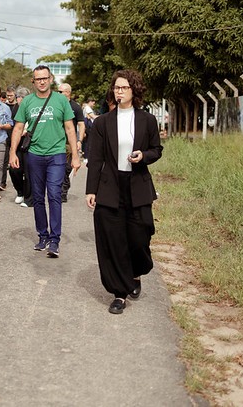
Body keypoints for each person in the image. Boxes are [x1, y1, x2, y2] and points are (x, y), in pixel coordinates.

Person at [85, 69, 163, 314]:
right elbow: (95, 158)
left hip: (138, 184)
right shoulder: (103, 122)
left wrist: (144, 156)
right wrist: (91, 189)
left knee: (140, 237)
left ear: (134, 90)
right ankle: (119, 292)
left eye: (124, 88)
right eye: (116, 88)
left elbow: (156, 149)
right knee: (113, 238)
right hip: (111, 185)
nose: (119, 91)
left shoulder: (147, 120)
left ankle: (136, 272)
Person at [9, 66, 81, 258]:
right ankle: (43, 236)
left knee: (55, 195)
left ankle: (55, 240)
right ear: (33, 82)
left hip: (56, 154)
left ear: (50, 79)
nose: (41, 81)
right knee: (38, 197)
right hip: (34, 155)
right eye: (37, 79)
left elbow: (70, 129)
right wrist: (12, 153)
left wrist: (75, 156)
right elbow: (17, 129)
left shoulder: (60, 101)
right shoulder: (27, 103)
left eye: (45, 78)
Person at [57, 83, 85, 202]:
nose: (58, 94)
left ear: (68, 93)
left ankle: (64, 190)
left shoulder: (76, 107)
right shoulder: (56, 105)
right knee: (58, 166)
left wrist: (79, 140)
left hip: (70, 142)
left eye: (60, 92)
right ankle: (59, 192)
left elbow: (81, 124)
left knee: (67, 168)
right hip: (57, 141)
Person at [8, 86, 32, 207]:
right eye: (18, 97)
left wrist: (27, 131)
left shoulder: (32, 106)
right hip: (17, 143)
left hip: (30, 143)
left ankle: (28, 198)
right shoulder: (15, 108)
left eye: (22, 98)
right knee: (14, 169)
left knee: (29, 171)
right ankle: (20, 191)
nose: (19, 100)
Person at [82, 97, 97, 162]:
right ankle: (87, 156)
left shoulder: (86, 108)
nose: (94, 104)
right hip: (89, 127)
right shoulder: (88, 108)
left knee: (87, 141)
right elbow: (93, 116)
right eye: (93, 102)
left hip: (87, 126)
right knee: (89, 141)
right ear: (90, 101)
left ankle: (86, 156)